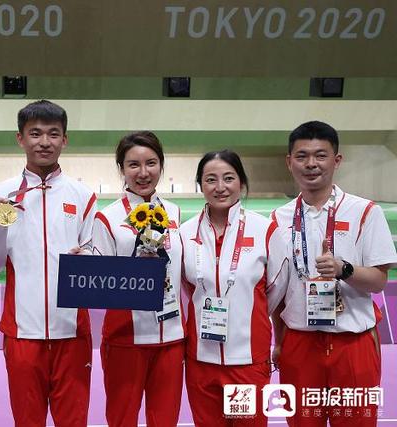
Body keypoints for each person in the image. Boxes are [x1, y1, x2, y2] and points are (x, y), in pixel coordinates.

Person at [271, 121, 397, 426]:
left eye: (320, 155)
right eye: (302, 156)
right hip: (299, 343)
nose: (311, 164)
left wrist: (345, 269)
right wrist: (280, 341)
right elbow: (279, 291)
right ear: (289, 162)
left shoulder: (365, 211)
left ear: (336, 160)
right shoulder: (278, 218)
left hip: (352, 344)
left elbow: (379, 281)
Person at [0, 100, 97, 426]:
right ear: (20, 139)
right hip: (22, 333)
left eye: (53, 134)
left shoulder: (82, 195)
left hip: (72, 333)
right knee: (27, 421)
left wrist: (87, 260)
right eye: (35, 133)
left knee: (73, 422)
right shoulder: (1, 195)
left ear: (65, 140)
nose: (44, 142)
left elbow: (95, 258)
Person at [180, 150, 289, 426]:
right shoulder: (185, 233)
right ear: (200, 184)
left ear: (241, 182)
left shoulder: (264, 230)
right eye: (210, 179)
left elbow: (276, 289)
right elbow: (186, 288)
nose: (220, 187)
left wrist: (246, 311)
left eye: (228, 178)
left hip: (247, 361)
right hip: (200, 360)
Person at [92, 131, 185, 427]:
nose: (143, 173)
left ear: (161, 165)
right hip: (125, 338)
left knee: (165, 420)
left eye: (151, 163)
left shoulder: (174, 212)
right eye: (133, 164)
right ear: (122, 169)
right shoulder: (107, 218)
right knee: (122, 419)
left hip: (171, 337)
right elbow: (99, 284)